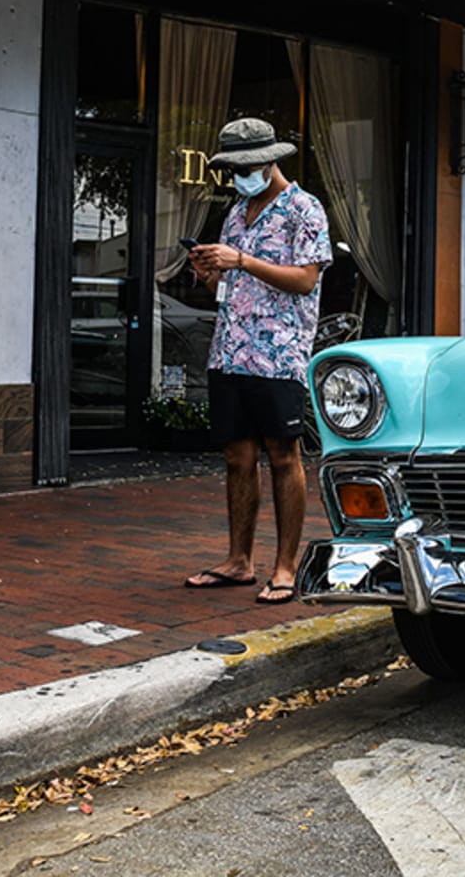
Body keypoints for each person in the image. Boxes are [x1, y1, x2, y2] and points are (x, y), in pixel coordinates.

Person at [184, 117, 332, 604]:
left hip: (278, 352)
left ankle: (285, 566)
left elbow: (307, 280)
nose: (240, 175)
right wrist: (208, 272)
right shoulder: (236, 213)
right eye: (233, 168)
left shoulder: (304, 209)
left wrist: (242, 260)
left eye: (247, 166)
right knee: (237, 457)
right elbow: (226, 292)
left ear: (270, 161)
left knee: (283, 455)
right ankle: (238, 561)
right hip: (230, 350)